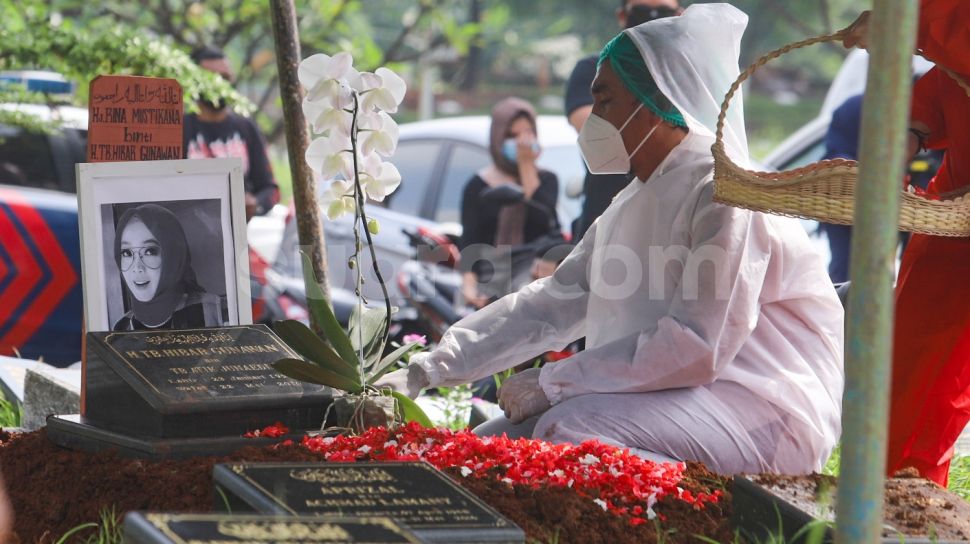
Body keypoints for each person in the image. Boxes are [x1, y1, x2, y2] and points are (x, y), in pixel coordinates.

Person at [378, 4, 844, 475]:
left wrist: (556, 379)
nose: (593, 118)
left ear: (656, 104)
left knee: (569, 430)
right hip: (683, 403)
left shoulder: (727, 195)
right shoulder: (635, 200)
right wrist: (428, 369)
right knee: (484, 450)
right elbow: (550, 305)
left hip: (765, 414)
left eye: (605, 101)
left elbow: (697, 344)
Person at [845, 1, 970, 485]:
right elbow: (938, 97)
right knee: (910, 366)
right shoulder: (944, 65)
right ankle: (898, 492)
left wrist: (902, 24)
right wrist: (908, 134)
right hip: (952, 215)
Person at [564, 0, 682, 240]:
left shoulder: (687, 77)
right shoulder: (597, 69)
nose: (652, 18)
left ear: (679, 16)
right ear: (622, 15)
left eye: (662, 12)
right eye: (641, 12)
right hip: (601, 223)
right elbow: (602, 134)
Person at [458, 97, 560, 309]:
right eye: (512, 136)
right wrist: (468, 286)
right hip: (492, 277)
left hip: (532, 279)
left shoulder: (546, 180)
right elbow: (470, 240)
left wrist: (526, 165)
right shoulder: (479, 185)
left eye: (526, 135)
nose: (520, 143)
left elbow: (545, 216)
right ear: (497, 137)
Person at [185, 46, 279, 221]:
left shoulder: (246, 128)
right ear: (193, 80)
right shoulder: (178, 129)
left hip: (237, 241)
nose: (220, 84)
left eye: (225, 77)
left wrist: (254, 204)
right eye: (211, 78)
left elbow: (271, 190)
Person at [112, 204, 226, 331]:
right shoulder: (121, 328)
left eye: (150, 251)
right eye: (126, 253)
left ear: (173, 257)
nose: (137, 267)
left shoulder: (218, 313)